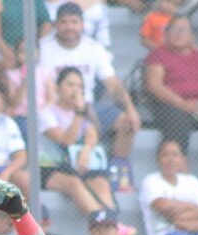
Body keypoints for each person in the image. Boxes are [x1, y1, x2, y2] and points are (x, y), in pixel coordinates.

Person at [38, 2, 141, 182]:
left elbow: (113, 84)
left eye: (74, 22)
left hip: (88, 106)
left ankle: (117, 171)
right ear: (55, 24)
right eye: (64, 22)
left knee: (126, 122)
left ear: (83, 24)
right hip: (55, 109)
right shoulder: (43, 48)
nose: (69, 27)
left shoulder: (94, 48)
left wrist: (131, 109)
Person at [144, 16, 198, 189]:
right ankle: (185, 179)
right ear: (166, 34)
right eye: (173, 29)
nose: (178, 34)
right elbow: (154, 85)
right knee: (177, 124)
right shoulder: (158, 55)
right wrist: (183, 104)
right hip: (171, 104)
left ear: (192, 36)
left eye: (184, 30)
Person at [39, 67, 120, 215]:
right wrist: (78, 113)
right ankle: (101, 222)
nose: (75, 90)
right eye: (70, 85)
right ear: (58, 88)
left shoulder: (85, 113)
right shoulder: (46, 113)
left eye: (79, 86)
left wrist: (86, 151)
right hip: (51, 168)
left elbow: (91, 136)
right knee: (74, 183)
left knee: (101, 183)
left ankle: (112, 222)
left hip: (79, 165)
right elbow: (66, 140)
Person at [0, 0, 51, 70]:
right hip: (2, 50)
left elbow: (46, 23)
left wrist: (34, 45)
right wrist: (7, 51)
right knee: (5, 66)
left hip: (30, 49)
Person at [45, 0, 111, 48]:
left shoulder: (97, 7)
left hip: (88, 48)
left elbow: (103, 39)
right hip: (55, 46)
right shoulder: (50, 4)